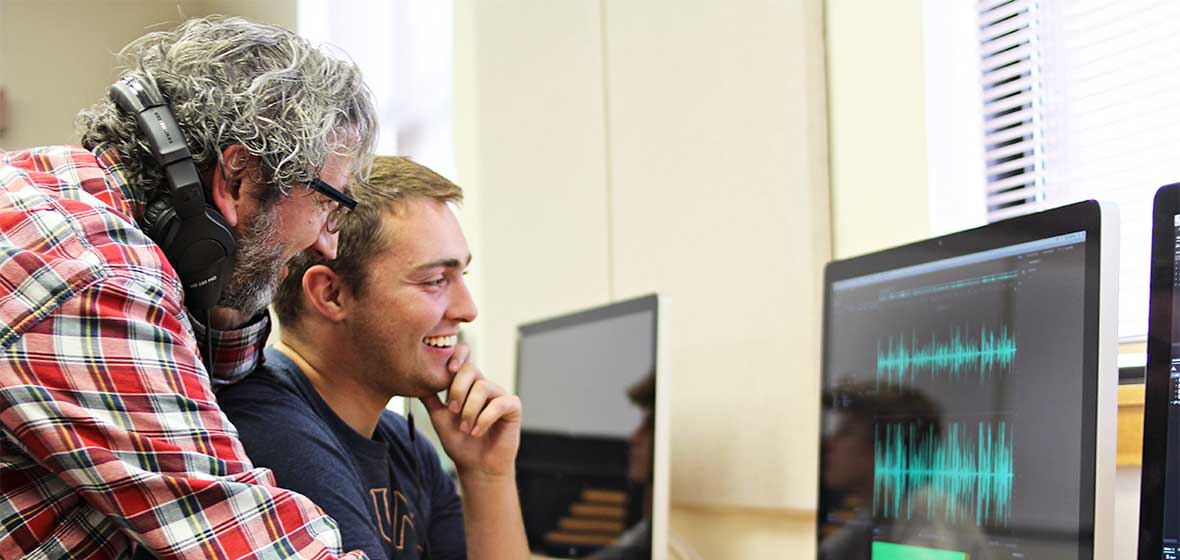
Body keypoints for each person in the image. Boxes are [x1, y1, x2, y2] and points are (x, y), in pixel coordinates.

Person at [0, 16, 377, 558]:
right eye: (327, 205)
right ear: (239, 177)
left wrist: (226, 269)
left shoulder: (57, 191)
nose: (329, 244)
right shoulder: (95, 273)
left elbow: (227, 374)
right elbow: (250, 544)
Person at [217, 156, 528, 559]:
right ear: (331, 295)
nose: (467, 310)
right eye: (435, 281)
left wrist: (488, 475)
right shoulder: (271, 435)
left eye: (460, 278)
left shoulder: (403, 443)